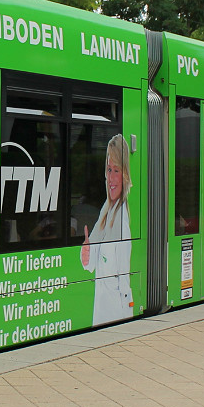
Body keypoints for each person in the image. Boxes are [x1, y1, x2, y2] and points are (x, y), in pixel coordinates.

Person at [80, 135, 133, 325]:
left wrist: (127, 316)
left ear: (125, 174)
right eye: (109, 169)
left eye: (116, 170)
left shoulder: (121, 218)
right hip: (101, 312)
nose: (111, 177)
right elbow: (91, 261)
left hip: (115, 313)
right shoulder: (106, 209)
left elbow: (123, 277)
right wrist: (86, 253)